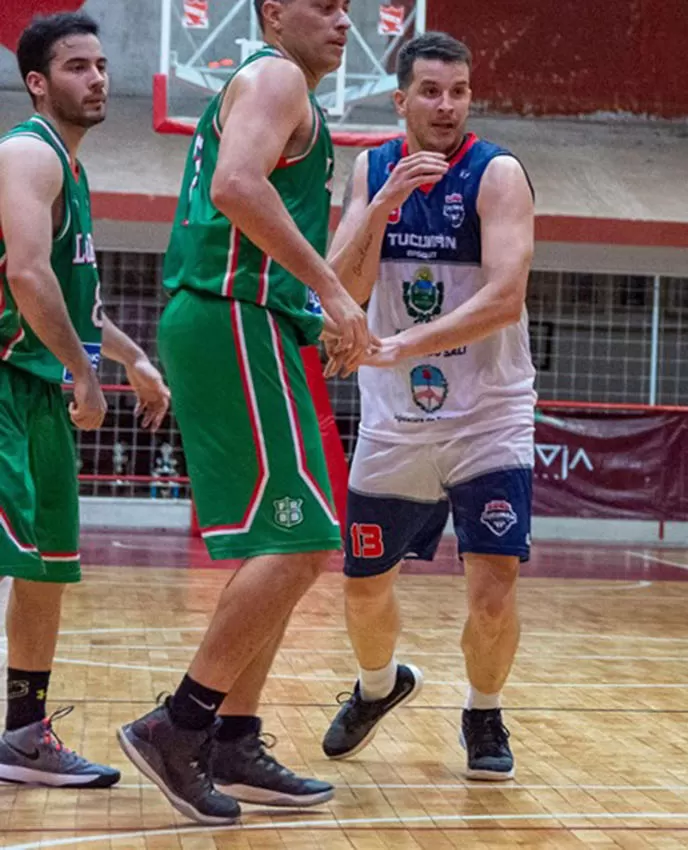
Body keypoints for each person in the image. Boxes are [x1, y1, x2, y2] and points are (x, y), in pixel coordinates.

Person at [116, 0, 372, 825]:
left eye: (347, 6)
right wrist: (329, 291)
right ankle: (178, 724)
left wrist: (312, 308)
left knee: (279, 540)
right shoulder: (276, 75)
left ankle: (234, 735)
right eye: (323, 4)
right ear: (271, 14)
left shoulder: (286, 89)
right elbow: (235, 187)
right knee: (303, 543)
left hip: (245, 318)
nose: (343, 20)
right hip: (232, 314)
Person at [318, 31, 536, 781]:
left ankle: (482, 711)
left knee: (493, 588)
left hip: (489, 416)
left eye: (460, 91)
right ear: (400, 98)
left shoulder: (497, 174)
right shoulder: (370, 168)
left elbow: (505, 299)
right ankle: (378, 688)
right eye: (432, 92)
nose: (447, 106)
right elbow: (337, 286)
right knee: (363, 586)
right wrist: (379, 206)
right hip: (394, 418)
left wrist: (403, 344)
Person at [0, 11, 170, 789]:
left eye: (102, 65)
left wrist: (132, 361)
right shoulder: (28, 154)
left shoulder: (73, 171)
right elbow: (28, 277)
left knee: (46, 569)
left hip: (40, 391)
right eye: (77, 66)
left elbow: (77, 301)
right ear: (38, 81)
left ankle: (23, 735)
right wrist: (85, 374)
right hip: (7, 380)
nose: (98, 78)